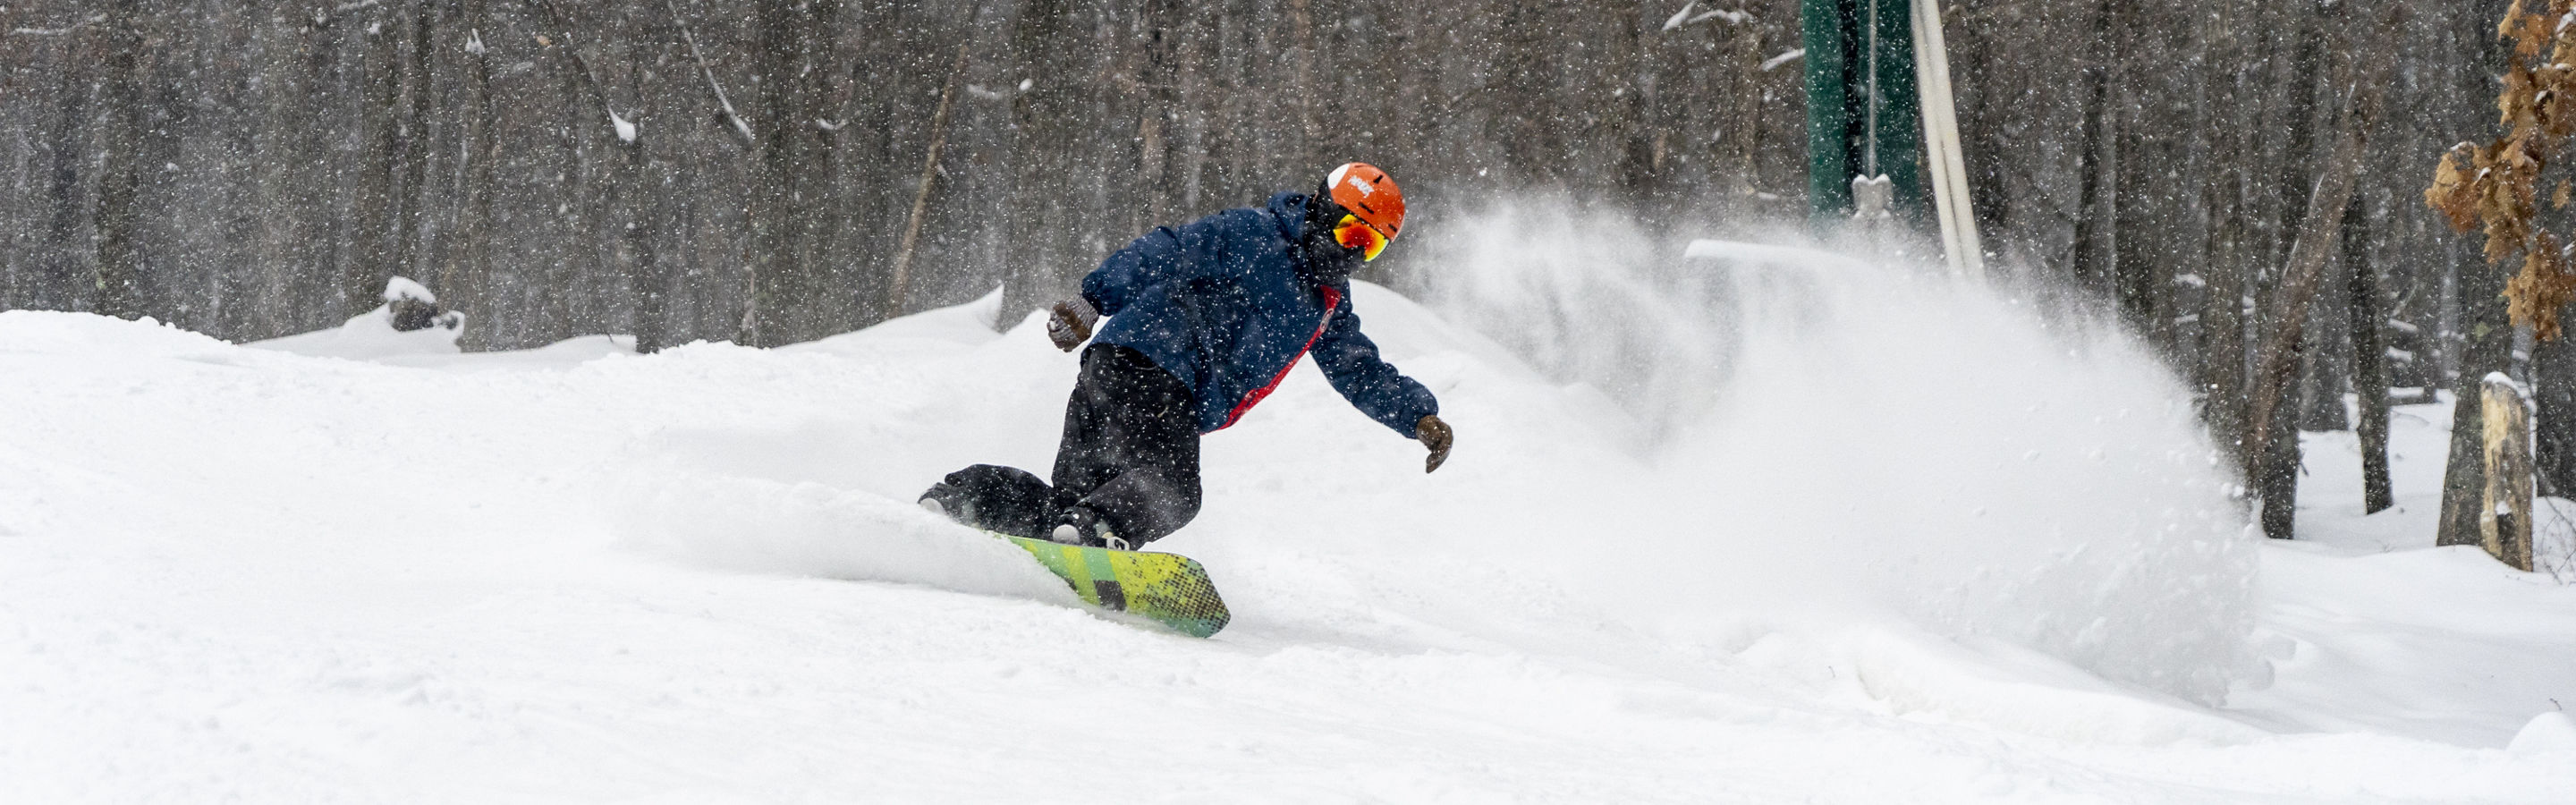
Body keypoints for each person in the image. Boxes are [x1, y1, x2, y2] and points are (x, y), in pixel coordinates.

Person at [919, 162, 1453, 550]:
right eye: (1353, 232)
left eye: (1373, 247)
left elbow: (1358, 369)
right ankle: (1094, 536)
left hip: (1117, 368)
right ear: (1321, 208)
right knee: (1173, 492)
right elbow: (1167, 250)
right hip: (1156, 366)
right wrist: (1094, 298)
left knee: (1076, 498)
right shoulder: (1254, 234)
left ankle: (968, 499)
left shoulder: (1327, 303)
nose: (1354, 254)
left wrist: (1418, 417)